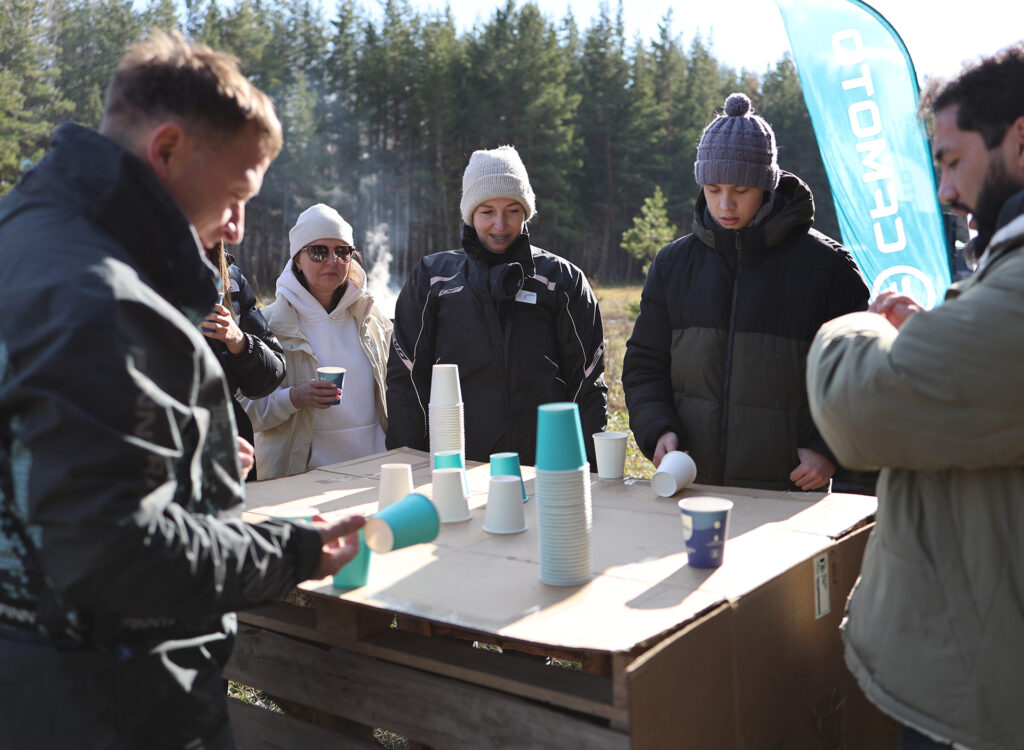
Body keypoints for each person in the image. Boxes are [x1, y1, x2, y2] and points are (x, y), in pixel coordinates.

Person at [0, 32, 364, 749]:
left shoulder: (25, 239)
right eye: (234, 196)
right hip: (111, 703)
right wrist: (290, 555)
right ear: (165, 150)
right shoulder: (104, 296)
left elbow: (44, 459)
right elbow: (117, 554)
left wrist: (187, 455)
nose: (236, 227)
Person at [806, 44, 1024, 750]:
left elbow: (856, 405)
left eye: (952, 160)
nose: (943, 193)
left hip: (980, 700)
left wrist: (862, 325)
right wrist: (932, 339)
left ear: (1019, 140)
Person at [622, 93, 870, 491]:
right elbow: (644, 364)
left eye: (741, 189)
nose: (725, 204)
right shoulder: (672, 265)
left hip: (788, 495)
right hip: (693, 485)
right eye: (713, 187)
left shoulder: (827, 268)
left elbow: (861, 374)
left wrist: (827, 449)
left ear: (766, 186)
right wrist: (656, 428)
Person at [386, 145, 607, 467]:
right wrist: (408, 463)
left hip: (545, 467)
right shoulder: (433, 278)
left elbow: (588, 382)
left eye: (512, 210)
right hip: (456, 465)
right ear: (470, 213)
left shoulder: (561, 280)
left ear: (526, 212)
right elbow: (406, 379)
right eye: (487, 211)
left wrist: (590, 471)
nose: (500, 226)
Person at [242, 203, 391, 479]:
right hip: (302, 479)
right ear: (297, 259)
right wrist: (294, 398)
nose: (332, 261)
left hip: (374, 472)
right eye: (319, 251)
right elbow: (244, 412)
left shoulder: (372, 318)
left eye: (343, 251)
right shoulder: (268, 323)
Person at [201, 240, 287, 473]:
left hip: (232, 445)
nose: (235, 231)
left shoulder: (232, 279)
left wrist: (238, 341)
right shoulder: (137, 274)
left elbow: (270, 377)